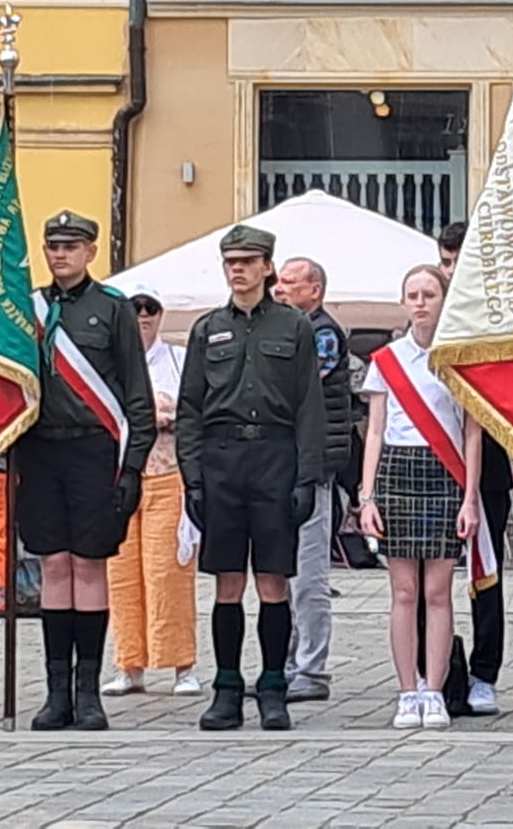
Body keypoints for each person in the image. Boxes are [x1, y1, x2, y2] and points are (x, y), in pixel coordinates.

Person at [177, 225, 327, 732]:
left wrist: (308, 476)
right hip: (221, 458)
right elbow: (190, 408)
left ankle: (272, 687)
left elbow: (309, 405)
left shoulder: (293, 327)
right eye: (230, 261)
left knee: (273, 580)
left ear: (267, 266)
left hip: (274, 455)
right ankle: (225, 687)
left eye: (247, 261)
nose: (237, 269)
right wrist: (192, 477)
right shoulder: (206, 328)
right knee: (226, 580)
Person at [23, 211, 155, 732]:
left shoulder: (113, 309)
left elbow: (136, 393)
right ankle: (57, 691)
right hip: (41, 452)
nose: (61, 254)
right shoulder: (29, 308)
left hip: (94, 452)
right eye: (54, 245)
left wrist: (134, 468)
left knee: (89, 566)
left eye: (72, 246)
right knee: (53, 566)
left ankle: (88, 690)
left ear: (91, 252)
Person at [360, 264, 483, 730]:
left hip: (445, 473)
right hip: (397, 469)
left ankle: (435, 689)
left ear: (443, 300)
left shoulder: (459, 358)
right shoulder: (386, 361)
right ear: (403, 302)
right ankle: (406, 690)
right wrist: (367, 495)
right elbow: (374, 430)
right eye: (412, 294)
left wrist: (470, 497)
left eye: (429, 293)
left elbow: (472, 433)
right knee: (403, 591)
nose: (420, 302)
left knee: (437, 591)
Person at [417, 220, 511, 716]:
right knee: (423, 575)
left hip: (486, 466)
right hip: (428, 469)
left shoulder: (491, 324)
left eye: (459, 264)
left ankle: (484, 672)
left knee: (484, 573)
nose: (451, 273)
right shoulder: (422, 323)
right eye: (445, 262)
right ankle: (430, 667)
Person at [103, 285, 199, 697]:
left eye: (150, 308)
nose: (143, 315)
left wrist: (164, 413)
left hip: (167, 473)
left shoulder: (178, 360)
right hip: (121, 475)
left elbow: (196, 408)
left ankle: (182, 663)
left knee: (168, 572)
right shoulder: (110, 363)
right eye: (135, 308)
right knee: (121, 575)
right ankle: (129, 663)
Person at [273, 256, 356, 703]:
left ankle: (312, 669)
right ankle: (284, 664)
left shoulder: (322, 333)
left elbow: (293, 387)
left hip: (314, 467)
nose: (279, 289)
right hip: (281, 466)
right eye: (279, 281)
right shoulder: (288, 328)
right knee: (280, 575)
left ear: (315, 291)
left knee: (309, 577)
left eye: (289, 282)